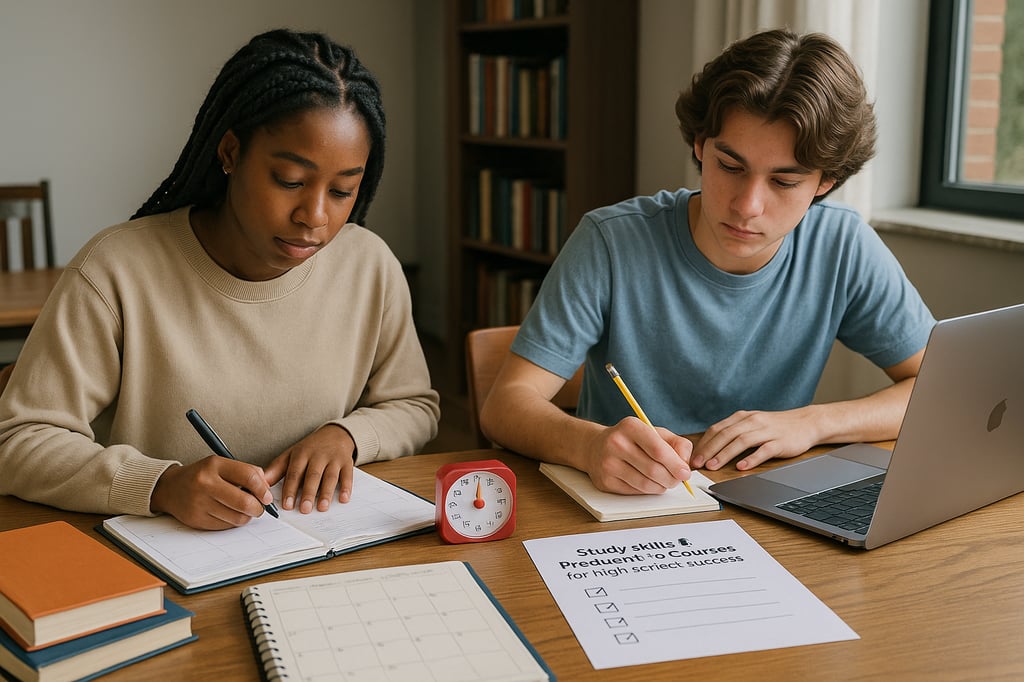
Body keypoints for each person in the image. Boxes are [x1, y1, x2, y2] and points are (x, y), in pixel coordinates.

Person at [0, 29, 439, 529]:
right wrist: (160, 485)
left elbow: (414, 404)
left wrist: (349, 435)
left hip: (312, 549)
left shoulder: (370, 265)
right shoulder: (115, 269)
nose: (314, 216)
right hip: (156, 564)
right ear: (230, 153)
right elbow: (20, 439)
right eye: (290, 181)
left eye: (342, 191)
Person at [479, 28, 935, 495]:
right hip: (624, 505)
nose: (747, 205)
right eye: (731, 167)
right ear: (700, 145)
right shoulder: (610, 241)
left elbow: (935, 387)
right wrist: (589, 446)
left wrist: (813, 423)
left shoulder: (843, 244)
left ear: (825, 182)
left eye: (784, 182)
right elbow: (506, 407)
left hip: (768, 499)